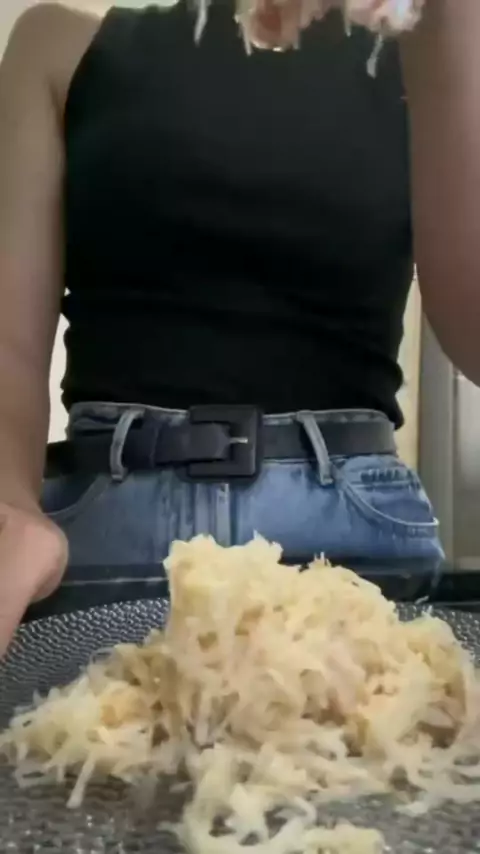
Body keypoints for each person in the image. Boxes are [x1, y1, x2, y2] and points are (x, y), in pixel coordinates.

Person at [0, 0, 477, 656]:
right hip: (100, 543)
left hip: (353, 554)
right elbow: (10, 349)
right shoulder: (55, 43)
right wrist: (10, 506)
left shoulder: (422, 52)